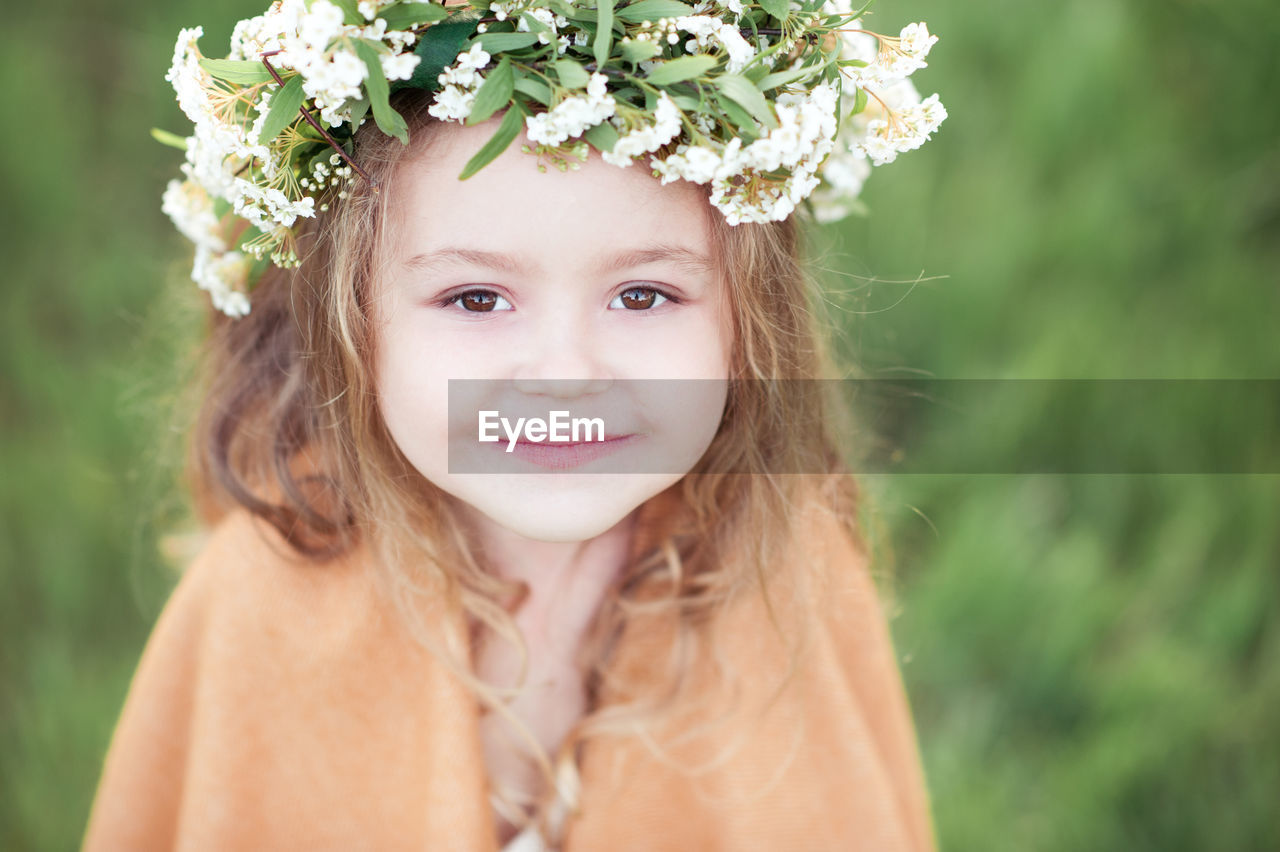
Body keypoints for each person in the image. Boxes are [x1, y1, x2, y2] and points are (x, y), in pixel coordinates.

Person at [83, 2, 945, 848]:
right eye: (476, 297)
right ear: (348, 325)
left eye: (642, 294)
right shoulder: (265, 601)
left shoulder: (791, 580)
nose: (566, 376)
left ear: (749, 326)